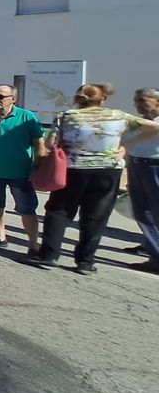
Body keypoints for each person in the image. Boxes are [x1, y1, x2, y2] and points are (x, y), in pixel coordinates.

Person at [34, 84, 159, 273]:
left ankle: (49, 255)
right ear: (102, 99)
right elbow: (155, 127)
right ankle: (85, 262)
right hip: (107, 171)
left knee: (59, 211)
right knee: (96, 217)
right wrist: (126, 143)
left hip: (73, 169)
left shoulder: (66, 116)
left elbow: (51, 143)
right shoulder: (118, 116)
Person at [0, 84, 45, 256]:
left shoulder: (27, 117)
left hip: (22, 173)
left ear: (13, 99)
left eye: (0, 97)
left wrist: (37, 166)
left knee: (27, 209)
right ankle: (1, 237)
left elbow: (39, 143)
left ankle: (33, 246)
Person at [124, 88, 159, 273]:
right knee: (142, 211)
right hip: (137, 165)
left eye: (142, 100)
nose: (136, 103)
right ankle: (151, 245)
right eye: (136, 99)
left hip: (155, 167)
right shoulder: (138, 122)